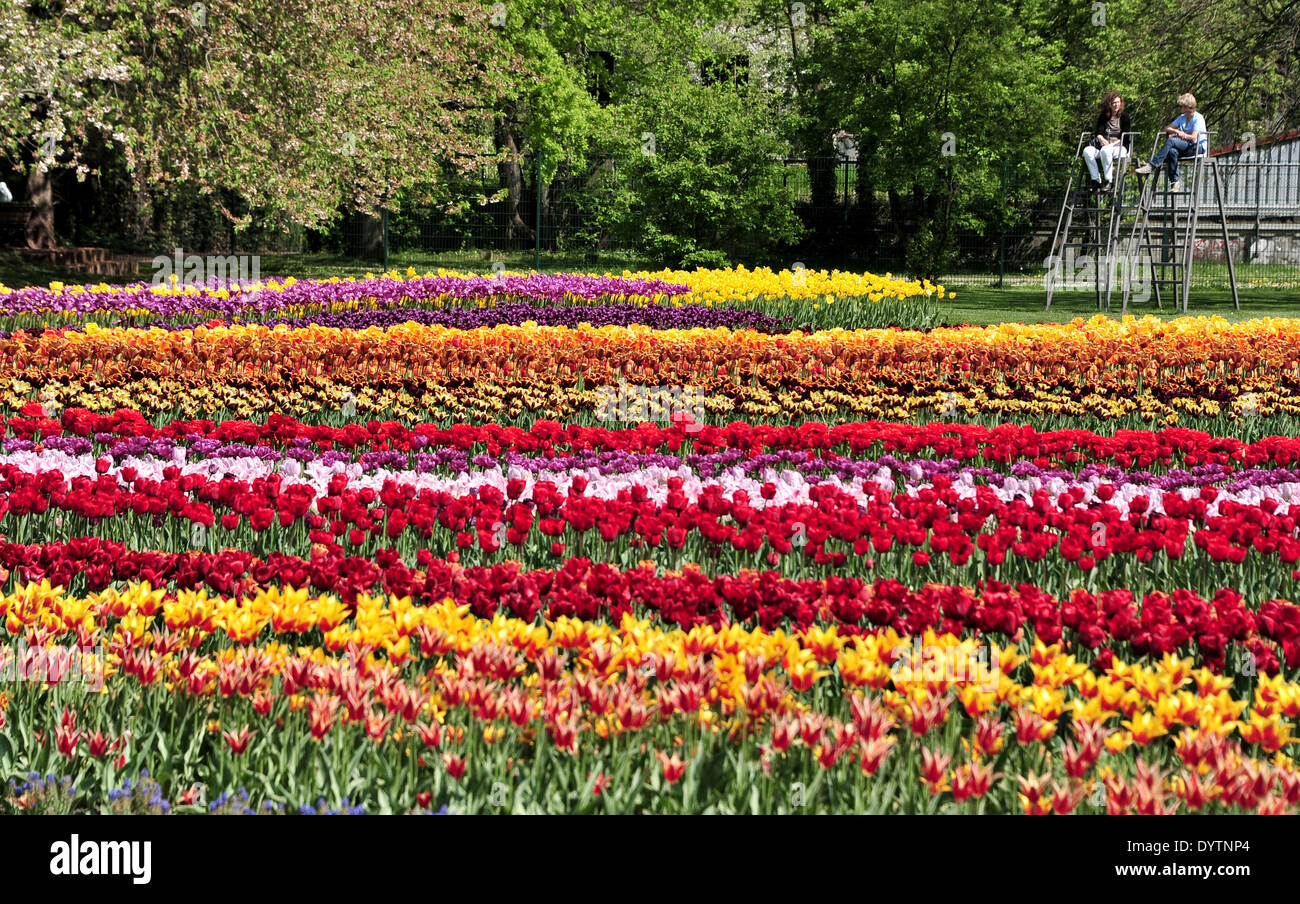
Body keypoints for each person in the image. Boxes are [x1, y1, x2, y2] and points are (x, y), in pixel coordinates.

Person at [1134, 93, 1207, 191]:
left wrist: (1182, 135)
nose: (1179, 108)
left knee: (1171, 141)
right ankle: (1175, 181)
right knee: (1172, 151)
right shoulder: (1182, 117)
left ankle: (1152, 165)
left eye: (1181, 106)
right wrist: (1177, 131)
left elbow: (1193, 138)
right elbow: (1166, 128)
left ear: (1187, 107)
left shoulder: (1198, 118)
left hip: (1197, 147)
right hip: (1186, 146)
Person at [1082, 91, 1132, 192]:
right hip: (1103, 146)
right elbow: (1099, 132)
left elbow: (1125, 137)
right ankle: (1095, 180)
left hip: (1120, 147)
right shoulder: (1104, 116)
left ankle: (1109, 180)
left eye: (1118, 102)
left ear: (1121, 103)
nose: (1116, 105)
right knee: (1087, 151)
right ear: (1109, 104)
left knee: (1106, 150)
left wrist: (1111, 144)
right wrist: (1101, 138)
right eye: (1114, 103)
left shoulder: (1125, 116)